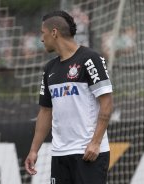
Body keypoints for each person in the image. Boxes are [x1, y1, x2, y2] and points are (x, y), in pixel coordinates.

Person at [24, 10, 113, 184]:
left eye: (43, 33)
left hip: (88, 153)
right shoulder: (49, 68)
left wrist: (95, 143)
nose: (42, 39)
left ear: (54, 32)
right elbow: (45, 111)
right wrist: (34, 150)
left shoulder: (90, 59)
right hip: (60, 155)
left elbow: (107, 102)